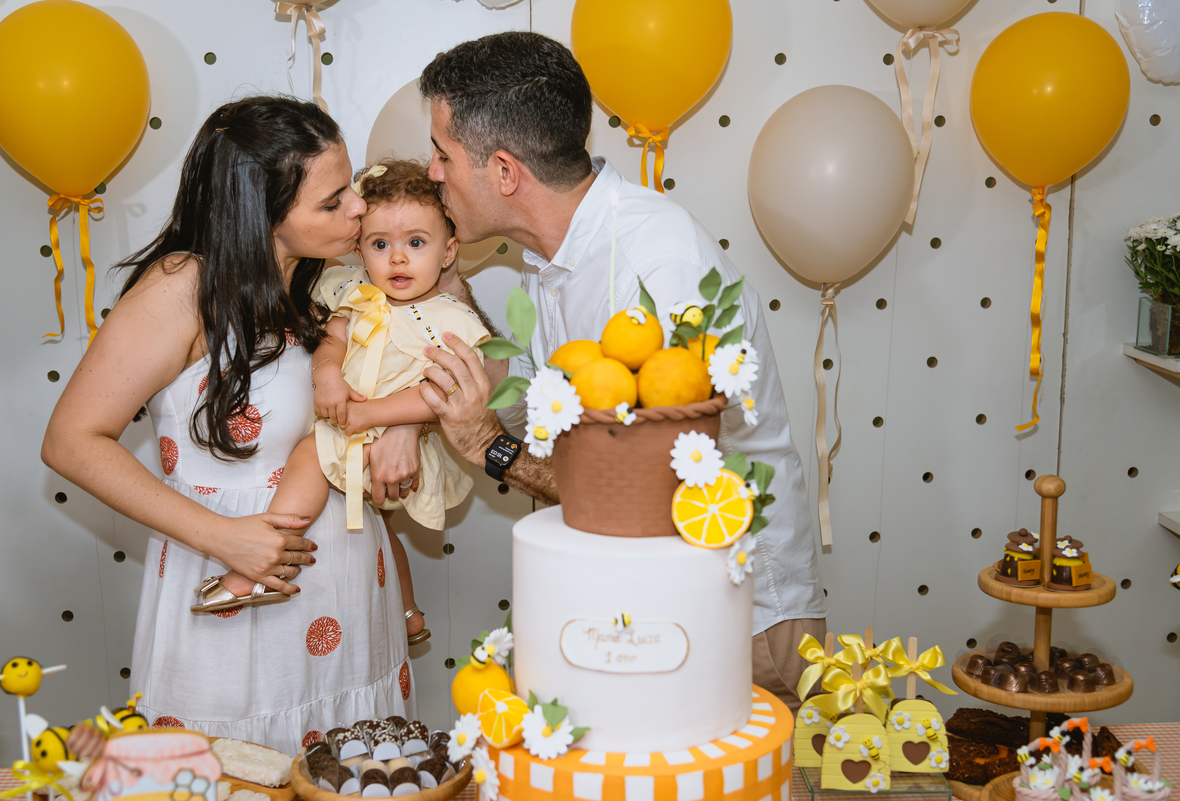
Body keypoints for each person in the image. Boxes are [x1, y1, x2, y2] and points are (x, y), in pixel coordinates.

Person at [414, 32, 828, 714]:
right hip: (644, 606)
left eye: (443, 154)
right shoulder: (551, 257)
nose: (432, 172)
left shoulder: (655, 267)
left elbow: (642, 497)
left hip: (730, 619)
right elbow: (532, 397)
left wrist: (485, 445)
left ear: (507, 172)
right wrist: (447, 305)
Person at [41, 96, 417, 753]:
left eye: (350, 189)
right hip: (235, 598)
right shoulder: (181, 288)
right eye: (332, 203)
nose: (359, 209)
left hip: (349, 593)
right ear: (261, 215)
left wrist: (398, 436)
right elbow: (70, 441)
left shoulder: (333, 285)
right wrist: (225, 538)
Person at [198, 159, 489, 649]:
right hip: (352, 421)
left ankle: (260, 566)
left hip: (394, 431)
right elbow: (332, 339)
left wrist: (370, 415)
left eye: (415, 244)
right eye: (381, 245)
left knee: (310, 455)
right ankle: (408, 611)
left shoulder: (449, 318)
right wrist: (327, 374)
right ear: (359, 249)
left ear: (448, 252)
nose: (398, 260)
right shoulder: (356, 295)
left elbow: (443, 393)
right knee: (379, 528)